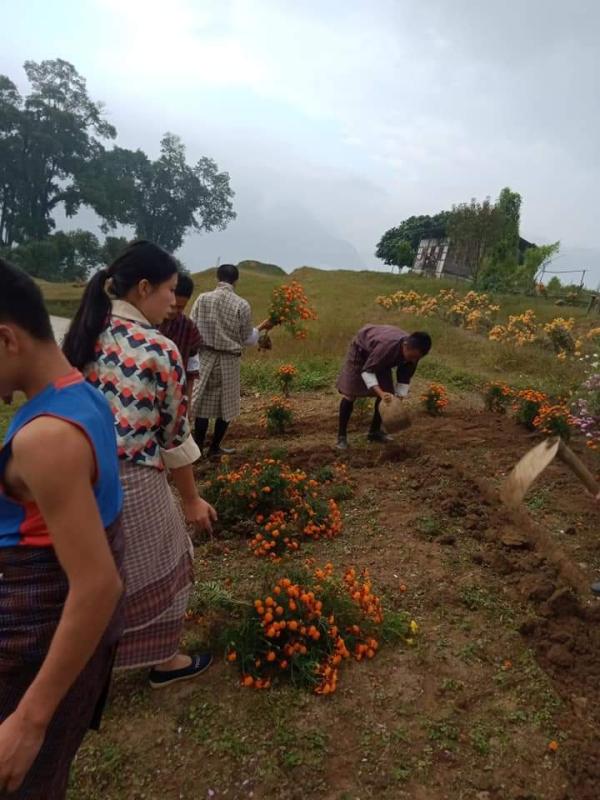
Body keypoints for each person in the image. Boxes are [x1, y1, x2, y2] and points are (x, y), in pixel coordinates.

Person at [63, 240, 217, 688]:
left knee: (87, 569)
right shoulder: (157, 349)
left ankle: (86, 658)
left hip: (74, 478)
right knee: (165, 561)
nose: (174, 301)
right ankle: (162, 660)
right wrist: (190, 499)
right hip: (131, 477)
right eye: (170, 290)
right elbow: (172, 435)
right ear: (144, 288)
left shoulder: (79, 336)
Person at [0, 258, 124, 799]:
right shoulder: (84, 393)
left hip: (28, 650)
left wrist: (29, 720)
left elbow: (97, 584)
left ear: (6, 339)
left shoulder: (44, 439)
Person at [189, 263, 274, 458]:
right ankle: (215, 447)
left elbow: (192, 327)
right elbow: (247, 338)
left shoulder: (202, 299)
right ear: (236, 281)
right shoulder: (241, 304)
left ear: (217, 278)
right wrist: (261, 327)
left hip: (205, 356)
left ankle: (198, 448)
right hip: (229, 360)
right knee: (225, 406)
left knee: (202, 405)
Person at [335, 325, 432, 449]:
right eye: (412, 356)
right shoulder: (386, 347)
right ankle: (341, 437)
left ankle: (374, 432)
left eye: (417, 358)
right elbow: (367, 371)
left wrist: (398, 399)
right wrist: (380, 393)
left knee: (388, 395)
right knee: (350, 394)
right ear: (406, 346)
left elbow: (404, 377)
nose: (413, 360)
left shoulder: (415, 353)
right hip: (362, 351)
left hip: (381, 359)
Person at [159, 271, 202, 405]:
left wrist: (187, 402)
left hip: (174, 395)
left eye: (180, 307)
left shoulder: (189, 328)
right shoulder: (147, 321)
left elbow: (191, 370)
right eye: (172, 305)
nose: (174, 311)